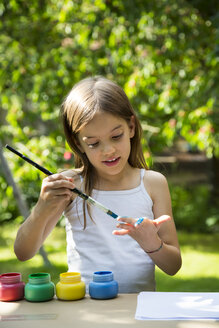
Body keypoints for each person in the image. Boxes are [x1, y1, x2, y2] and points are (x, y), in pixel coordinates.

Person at [14, 76, 182, 293]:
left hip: (138, 309)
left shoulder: (153, 183)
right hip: (84, 306)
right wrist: (41, 209)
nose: (108, 150)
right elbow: (23, 252)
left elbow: (173, 266)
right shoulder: (70, 185)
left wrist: (152, 243)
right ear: (77, 143)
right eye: (93, 143)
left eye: (116, 136)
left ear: (131, 127)